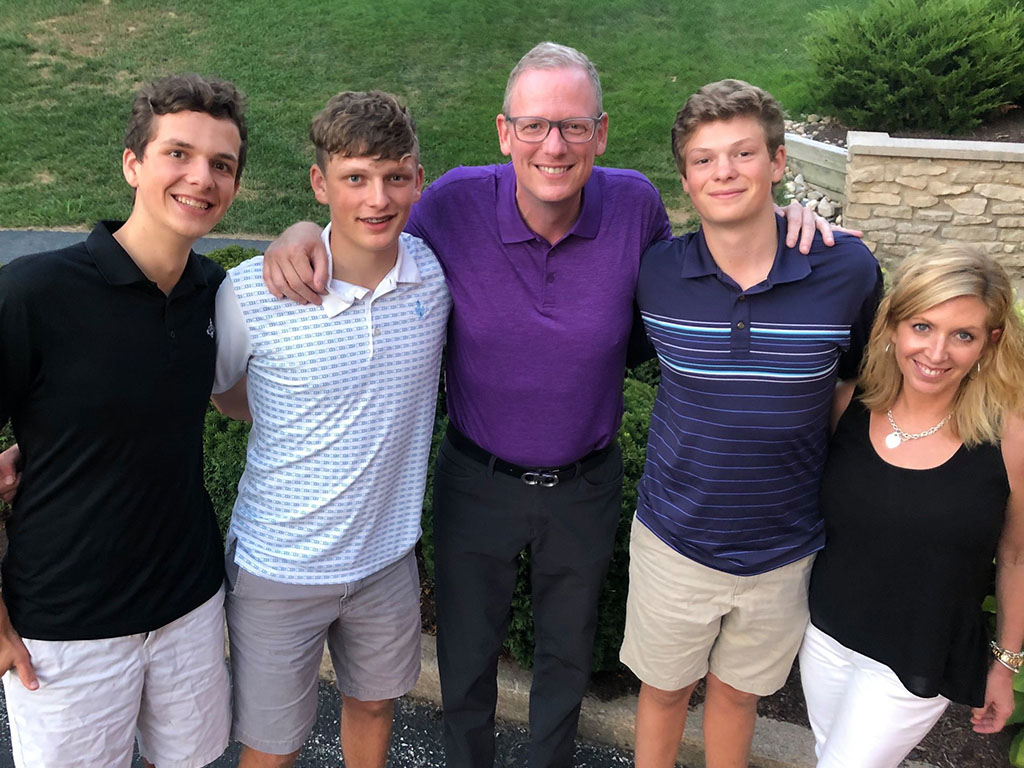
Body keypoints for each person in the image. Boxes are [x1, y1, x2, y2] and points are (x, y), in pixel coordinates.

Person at [260, 45, 839, 768]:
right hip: (477, 479)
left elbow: (706, 266)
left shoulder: (634, 206)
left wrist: (780, 218)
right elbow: (366, 231)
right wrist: (301, 233)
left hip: (584, 485)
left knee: (565, 662)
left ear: (601, 133)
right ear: (505, 133)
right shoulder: (453, 204)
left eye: (573, 126)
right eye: (533, 126)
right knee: (466, 659)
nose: (553, 146)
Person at [621, 79, 881, 768]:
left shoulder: (848, 270)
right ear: (685, 179)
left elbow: (853, 383)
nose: (724, 172)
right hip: (674, 538)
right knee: (664, 693)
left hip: (784, 548)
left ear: (778, 161)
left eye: (743, 153)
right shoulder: (657, 275)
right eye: (704, 160)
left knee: (739, 699)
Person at [0, 73, 246, 768]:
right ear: (133, 164)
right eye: (178, 154)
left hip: (188, 606)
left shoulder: (214, 292)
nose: (201, 178)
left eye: (222, 164)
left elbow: (235, 397)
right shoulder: (35, 292)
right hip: (66, 626)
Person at [210, 91, 449, 768]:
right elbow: (227, 397)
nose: (378, 198)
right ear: (320, 183)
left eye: (395, 177)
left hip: (385, 561)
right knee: (273, 746)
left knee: (374, 707)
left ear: (419, 180)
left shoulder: (435, 276)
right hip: (278, 566)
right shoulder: (252, 292)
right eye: (355, 178)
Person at [799, 245, 1024, 767]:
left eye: (963, 335)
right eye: (922, 327)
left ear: (990, 342)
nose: (937, 352)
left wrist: (1005, 664)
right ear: (894, 326)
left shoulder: (1009, 437)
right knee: (827, 753)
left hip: (917, 659)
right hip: (826, 637)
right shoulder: (846, 407)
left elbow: (1016, 557)